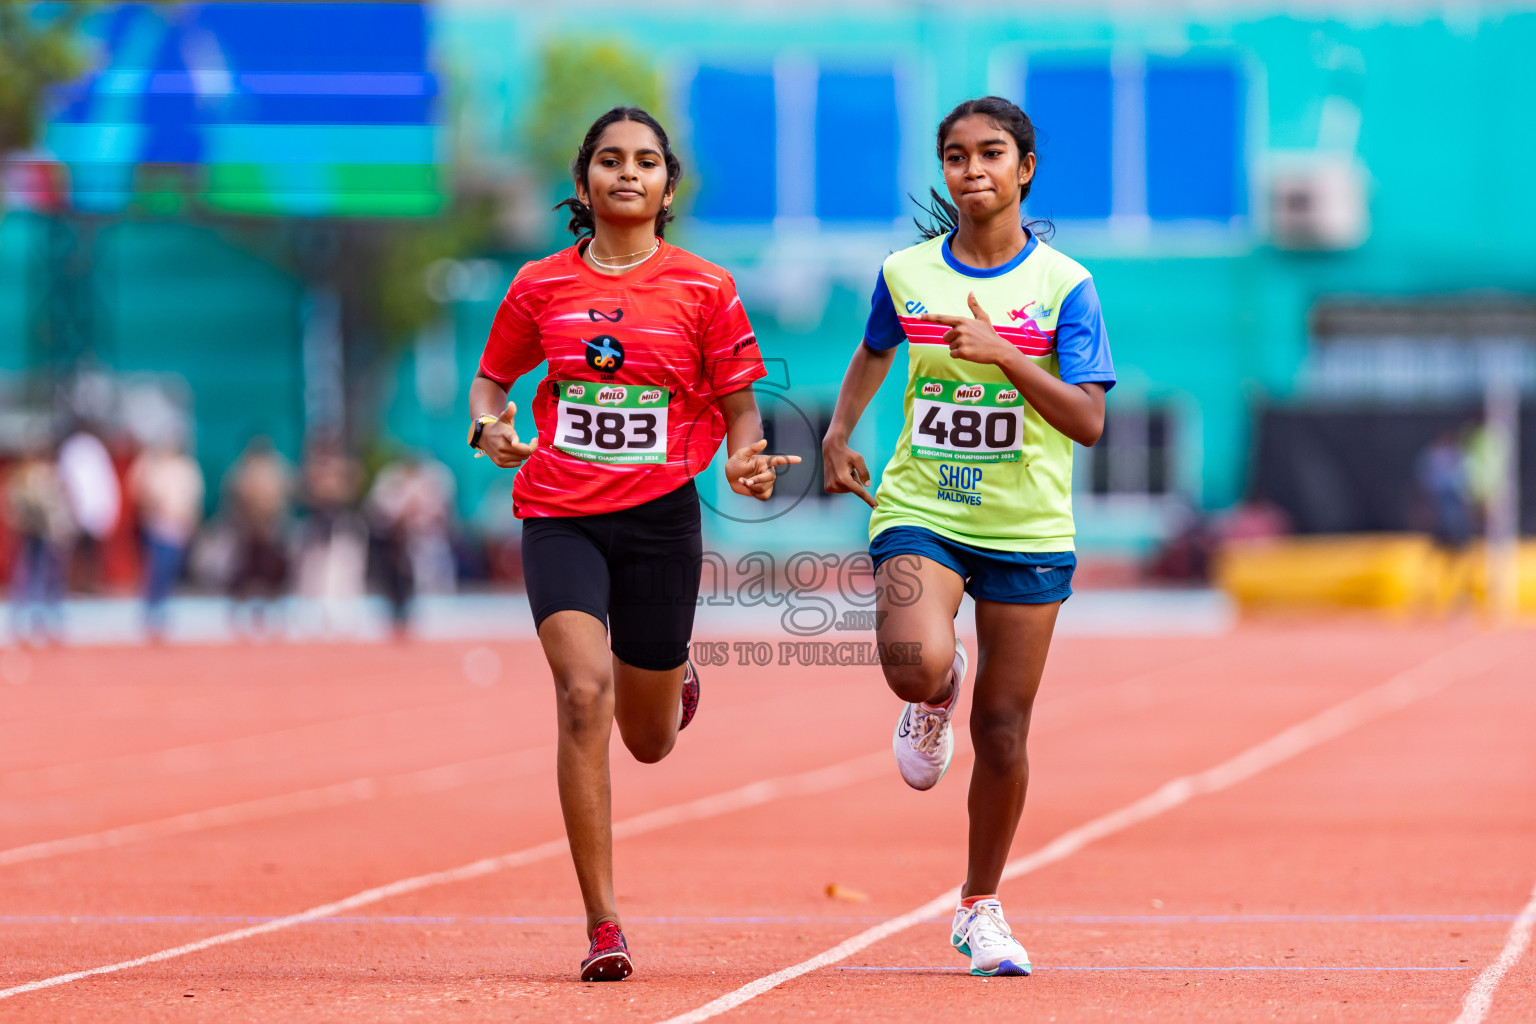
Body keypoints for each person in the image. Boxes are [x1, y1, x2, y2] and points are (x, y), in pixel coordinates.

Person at [468, 106, 797, 982]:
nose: (626, 173)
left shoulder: (706, 289)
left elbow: (739, 411)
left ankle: (673, 671)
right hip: (559, 515)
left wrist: (746, 463)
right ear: (583, 186)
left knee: (647, 740)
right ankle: (603, 923)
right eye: (609, 161)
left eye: (645, 161)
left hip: (659, 519)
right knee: (584, 695)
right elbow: (492, 380)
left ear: (666, 186)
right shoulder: (539, 286)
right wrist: (487, 428)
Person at [821, 96, 1115, 978]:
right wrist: (840, 432)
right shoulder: (907, 273)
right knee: (914, 658)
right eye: (956, 155)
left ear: (1025, 167)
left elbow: (1090, 421)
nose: (973, 169)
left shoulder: (1065, 286)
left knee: (1006, 730)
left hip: (1026, 523)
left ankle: (980, 907)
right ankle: (929, 693)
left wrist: (1007, 356)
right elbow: (877, 348)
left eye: (991, 153)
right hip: (924, 506)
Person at [128, 437, 205, 640]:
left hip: (178, 527)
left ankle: (162, 611)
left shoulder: (186, 468)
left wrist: (190, 519)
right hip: (157, 526)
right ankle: (151, 611)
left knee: (170, 570)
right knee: (157, 569)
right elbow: (139, 489)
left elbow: (192, 496)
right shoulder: (154, 465)